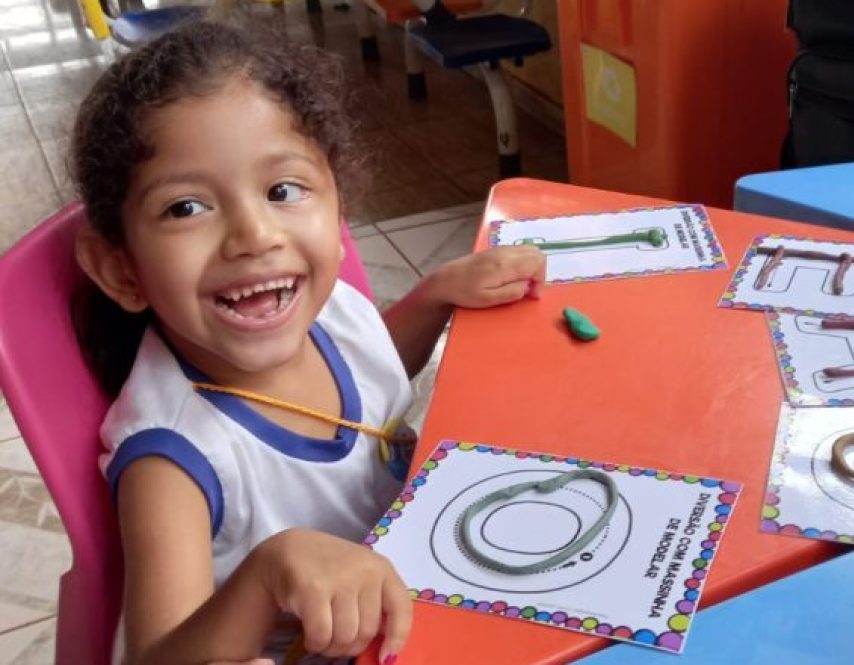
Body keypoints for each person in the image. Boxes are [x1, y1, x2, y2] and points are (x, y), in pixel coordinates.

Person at [69, 19, 545, 665]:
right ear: (121, 270)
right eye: (185, 207)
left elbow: (373, 368)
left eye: (283, 190)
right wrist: (267, 575)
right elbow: (155, 655)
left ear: (337, 202)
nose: (254, 234)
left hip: (434, 592)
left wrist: (433, 297)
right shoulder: (175, 458)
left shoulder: (332, 312)